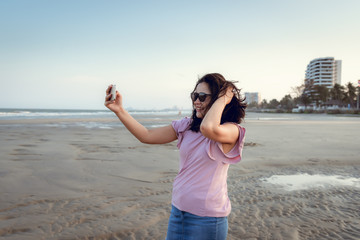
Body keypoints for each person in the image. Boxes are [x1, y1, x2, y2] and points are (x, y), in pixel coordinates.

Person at [105, 73, 247, 240]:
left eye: (202, 97)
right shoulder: (186, 126)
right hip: (178, 212)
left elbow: (209, 129)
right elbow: (147, 135)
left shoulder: (232, 130)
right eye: (194, 95)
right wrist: (119, 110)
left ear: (218, 99)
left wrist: (224, 97)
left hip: (207, 219)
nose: (196, 101)